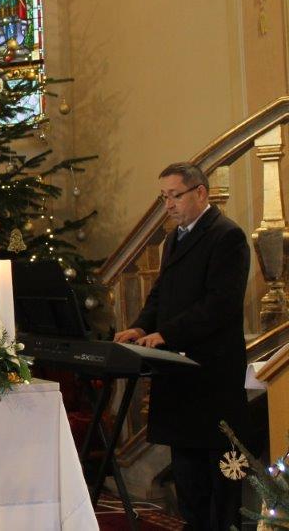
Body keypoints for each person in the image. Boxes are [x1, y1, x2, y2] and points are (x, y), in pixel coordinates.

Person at [114, 162, 250, 531]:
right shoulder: (176, 237)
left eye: (175, 196)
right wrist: (141, 325)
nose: (168, 205)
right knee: (188, 474)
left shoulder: (227, 236)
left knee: (219, 479)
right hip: (179, 376)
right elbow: (162, 293)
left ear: (200, 192)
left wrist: (167, 334)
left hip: (212, 375)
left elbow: (220, 303)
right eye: (164, 197)